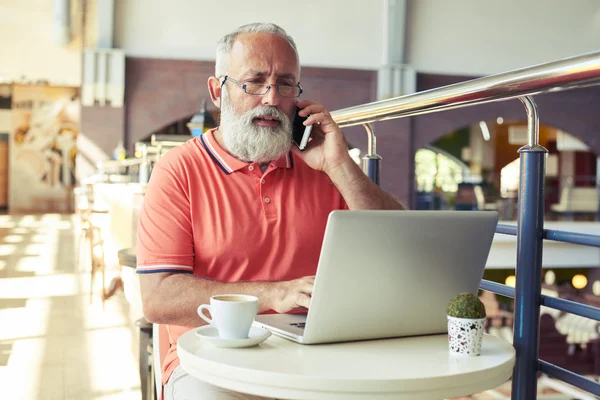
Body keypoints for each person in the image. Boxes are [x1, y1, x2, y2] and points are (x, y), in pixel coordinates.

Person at [136, 22, 403, 400]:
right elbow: (158, 298)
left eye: (286, 84)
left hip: (314, 357)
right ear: (218, 91)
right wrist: (273, 295)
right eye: (254, 81)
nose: (271, 98)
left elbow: (401, 245)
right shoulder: (178, 170)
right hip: (212, 361)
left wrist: (340, 166)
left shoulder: (324, 168)